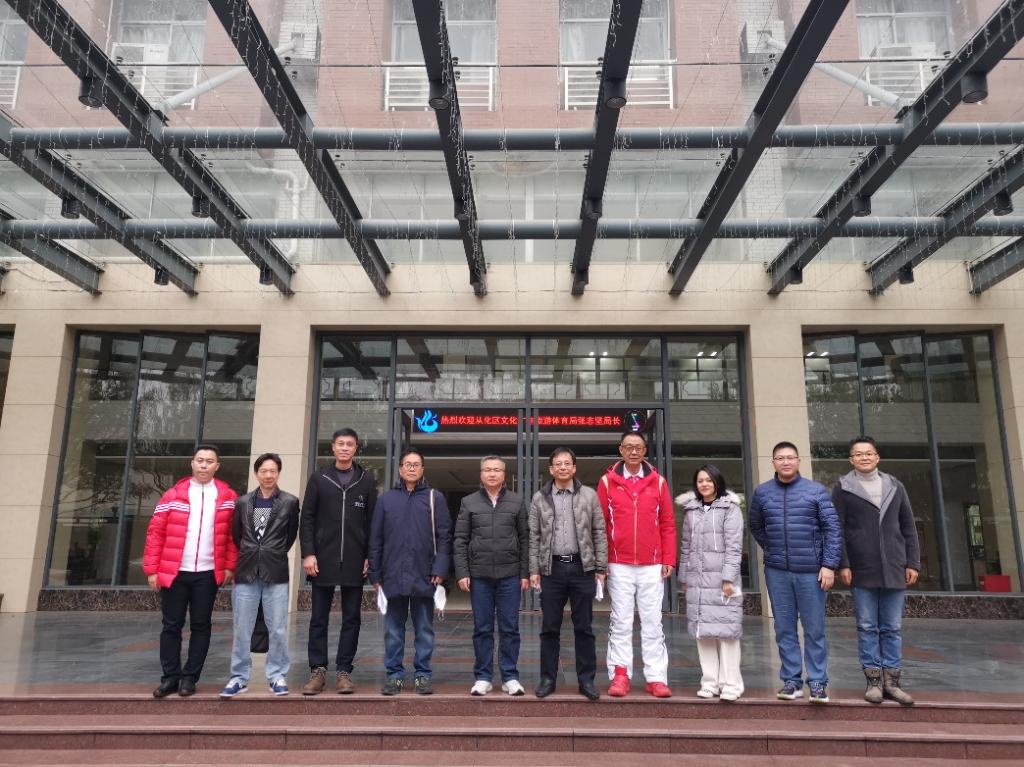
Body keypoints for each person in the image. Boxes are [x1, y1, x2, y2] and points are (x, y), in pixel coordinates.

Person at [749, 441, 842, 704]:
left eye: (790, 457)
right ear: (773, 462)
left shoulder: (816, 491)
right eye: (780, 458)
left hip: (812, 572)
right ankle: (791, 681)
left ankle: (818, 682)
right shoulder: (762, 493)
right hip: (777, 571)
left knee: (814, 629)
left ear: (798, 461)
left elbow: (832, 529)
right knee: (784, 628)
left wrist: (828, 565)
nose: (786, 462)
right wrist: (772, 548)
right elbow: (756, 526)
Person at [144, 444, 238, 698]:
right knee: (171, 625)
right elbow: (155, 533)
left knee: (201, 625)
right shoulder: (172, 495)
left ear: (217, 466)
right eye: (200, 460)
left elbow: (233, 537)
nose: (204, 465)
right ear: (192, 463)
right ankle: (170, 677)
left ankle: (189, 678)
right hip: (174, 571)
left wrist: (229, 566)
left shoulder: (228, 497)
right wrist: (152, 569)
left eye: (209, 461)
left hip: (207, 573)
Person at [834, 436, 920, 706]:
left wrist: (913, 562)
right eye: (858, 454)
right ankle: (873, 681)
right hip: (861, 567)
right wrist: (843, 563)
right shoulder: (843, 488)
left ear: (877, 457)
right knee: (867, 626)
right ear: (851, 460)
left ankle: (892, 682)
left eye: (869, 453)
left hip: (895, 566)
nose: (864, 457)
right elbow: (838, 529)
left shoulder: (895, 486)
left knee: (892, 627)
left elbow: (908, 526)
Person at [597, 430, 677, 698]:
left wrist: (668, 558)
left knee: (653, 621)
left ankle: (656, 677)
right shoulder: (607, 482)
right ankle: (620, 675)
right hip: (618, 563)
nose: (633, 451)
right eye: (628, 447)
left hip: (652, 564)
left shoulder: (659, 482)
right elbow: (601, 525)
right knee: (620, 620)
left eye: (638, 447)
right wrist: (602, 562)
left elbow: (667, 523)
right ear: (621, 450)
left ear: (644, 451)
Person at [299, 428, 378, 695]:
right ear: (333, 447)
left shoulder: (366, 480)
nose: (345, 448)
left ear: (356, 449)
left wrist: (369, 556)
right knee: (318, 618)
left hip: (355, 559)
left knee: (352, 618)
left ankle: (344, 670)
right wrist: (308, 553)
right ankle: (318, 670)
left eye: (350, 444)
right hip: (322, 558)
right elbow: (307, 518)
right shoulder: (319, 478)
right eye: (340, 444)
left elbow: (373, 522)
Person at [368, 448, 451, 695]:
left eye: (416, 464)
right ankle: (394, 675)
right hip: (392, 575)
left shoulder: (435, 498)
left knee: (424, 629)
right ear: (400, 469)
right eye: (407, 464)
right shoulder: (386, 500)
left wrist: (441, 568)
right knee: (393, 630)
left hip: (425, 574)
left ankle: (422, 675)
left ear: (423, 469)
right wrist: (375, 574)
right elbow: (375, 539)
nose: (412, 468)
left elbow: (445, 537)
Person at [529, 447, 608, 701]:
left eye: (567, 464)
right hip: (551, 569)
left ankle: (586, 680)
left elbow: (599, 532)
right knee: (549, 627)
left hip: (581, 568)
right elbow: (534, 536)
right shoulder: (539, 498)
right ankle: (548, 679)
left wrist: (601, 567)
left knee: (584, 627)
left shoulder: (589, 495)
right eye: (558, 464)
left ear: (574, 468)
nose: (563, 467)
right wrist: (534, 569)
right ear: (551, 469)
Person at [220, 452, 300, 698]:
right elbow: (237, 536)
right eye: (263, 471)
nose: (268, 475)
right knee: (242, 627)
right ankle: (238, 676)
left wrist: (270, 552)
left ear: (278, 473)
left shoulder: (290, 502)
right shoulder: (243, 502)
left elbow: (290, 536)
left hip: (275, 571)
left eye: (272, 471)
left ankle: (277, 675)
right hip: (246, 572)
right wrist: (254, 553)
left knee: (278, 628)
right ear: (256, 473)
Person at [454, 455, 530, 697]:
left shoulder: (517, 502)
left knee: (510, 628)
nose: (492, 473)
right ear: (481, 474)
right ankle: (483, 677)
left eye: (497, 470)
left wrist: (525, 573)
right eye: (488, 470)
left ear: (504, 475)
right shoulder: (469, 502)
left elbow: (525, 539)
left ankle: (510, 676)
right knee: (482, 628)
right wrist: (463, 572)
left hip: (510, 575)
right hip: (479, 576)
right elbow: (460, 540)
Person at [677, 465, 745, 702]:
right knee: (703, 633)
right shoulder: (691, 510)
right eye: (700, 481)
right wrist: (684, 576)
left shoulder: (730, 508)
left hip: (722, 581)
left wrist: (728, 578)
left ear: (717, 482)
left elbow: (735, 546)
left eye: (708, 480)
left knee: (727, 633)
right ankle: (710, 682)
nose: (704, 484)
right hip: (697, 580)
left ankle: (731, 684)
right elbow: (685, 546)